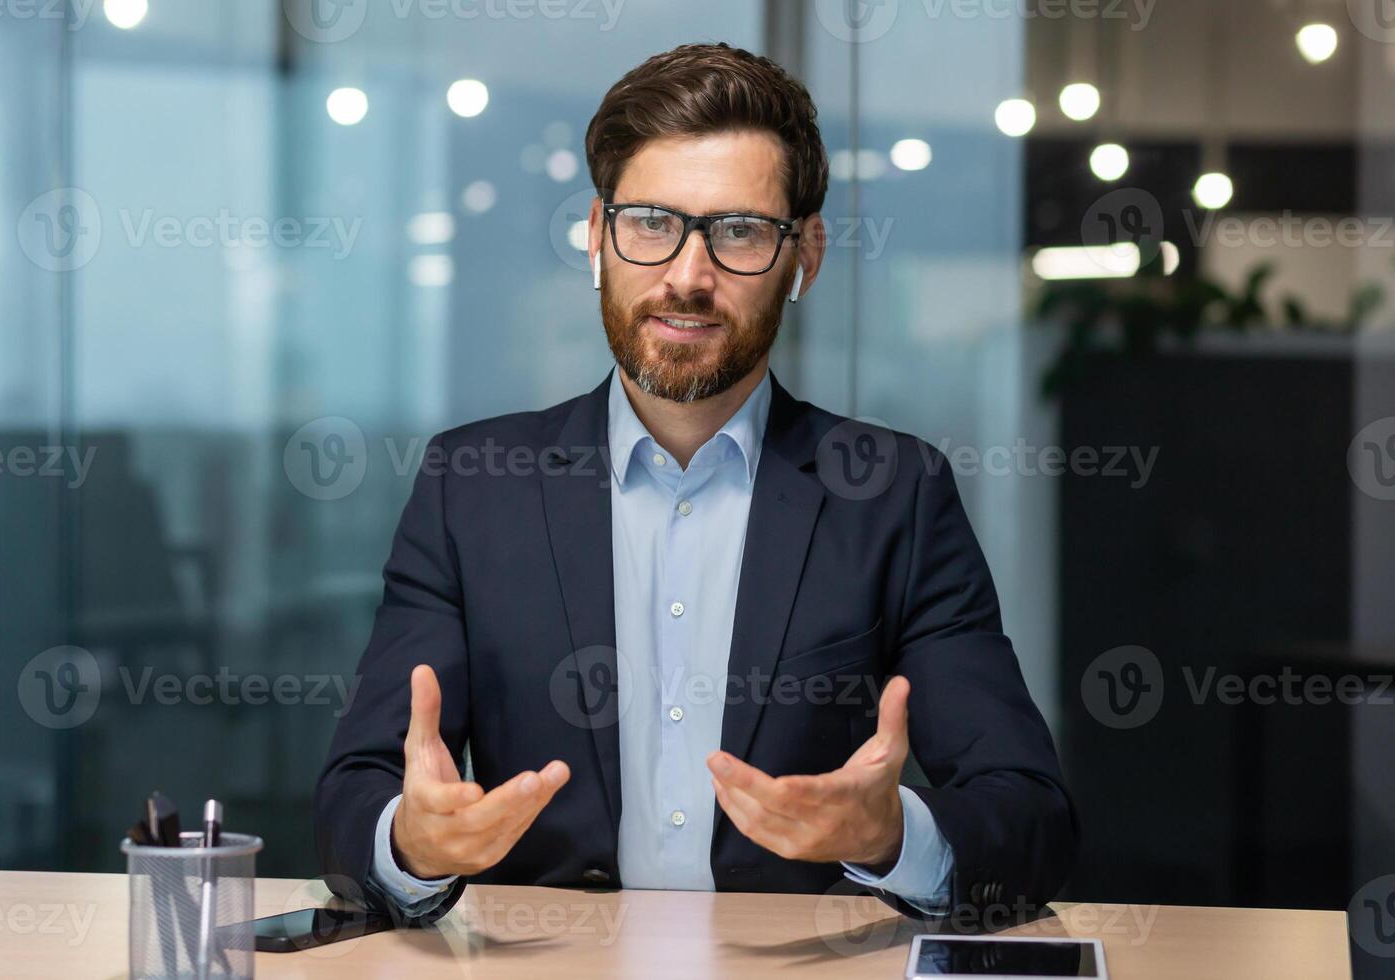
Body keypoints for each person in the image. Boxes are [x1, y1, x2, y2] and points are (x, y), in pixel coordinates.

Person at [314, 41, 1075, 928]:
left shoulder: (893, 494)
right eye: (650, 222)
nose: (687, 275)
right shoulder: (471, 487)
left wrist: (891, 833)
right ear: (597, 237)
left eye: (740, 232)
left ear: (806, 257)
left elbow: (1034, 819)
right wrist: (411, 842)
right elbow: (349, 802)